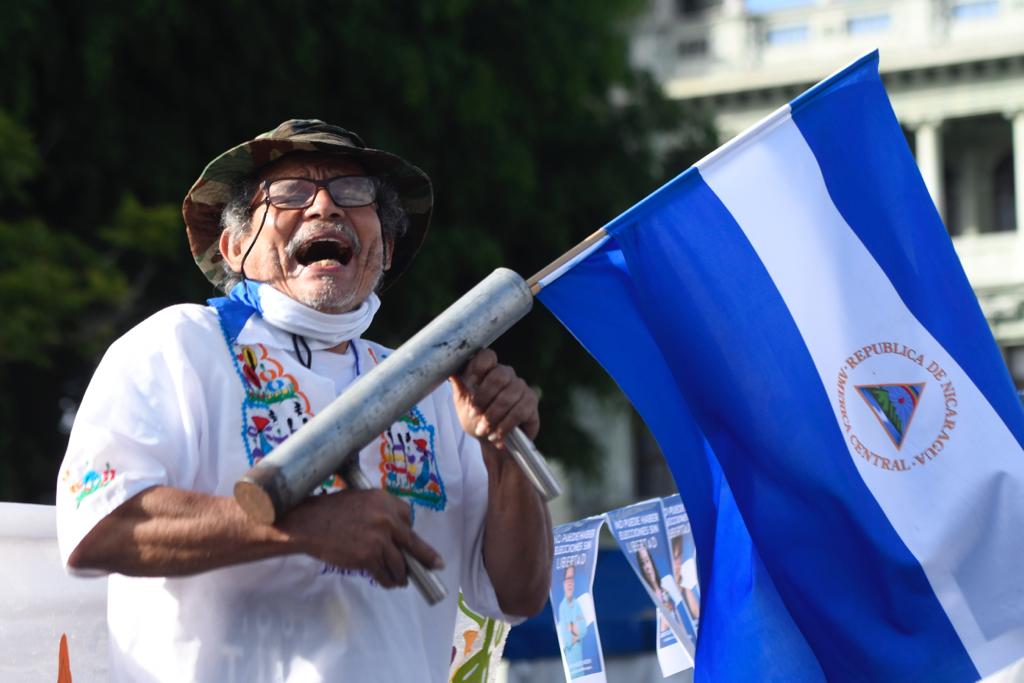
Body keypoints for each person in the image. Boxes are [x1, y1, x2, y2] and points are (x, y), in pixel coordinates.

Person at [55, 120, 553, 683]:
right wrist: (296, 528)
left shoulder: (437, 387)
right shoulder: (178, 346)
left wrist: (503, 454)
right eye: (289, 194)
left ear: (386, 248)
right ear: (235, 247)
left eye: (354, 194)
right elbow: (96, 525)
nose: (325, 208)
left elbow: (518, 594)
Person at [557, 563, 588, 675]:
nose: (570, 583)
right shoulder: (562, 607)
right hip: (569, 662)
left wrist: (573, 631)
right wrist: (575, 634)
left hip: (580, 658)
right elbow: (566, 639)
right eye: (568, 579)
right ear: (563, 583)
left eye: (572, 579)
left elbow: (584, 630)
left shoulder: (577, 604)